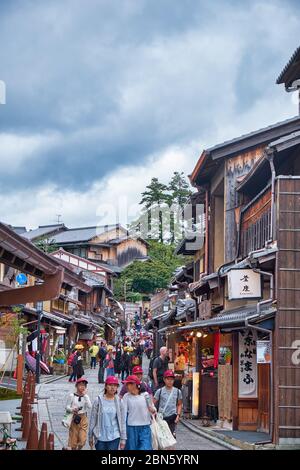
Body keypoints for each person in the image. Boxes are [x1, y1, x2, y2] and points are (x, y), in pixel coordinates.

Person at [89, 376, 126, 451]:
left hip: (114, 436)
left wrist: (123, 438)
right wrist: (90, 436)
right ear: (105, 386)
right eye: (110, 385)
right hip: (100, 436)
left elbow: (122, 421)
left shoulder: (119, 402)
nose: (112, 387)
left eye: (115, 385)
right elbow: (93, 419)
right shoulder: (98, 401)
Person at [122, 375, 156, 450]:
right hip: (131, 428)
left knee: (145, 448)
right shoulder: (126, 396)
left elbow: (153, 408)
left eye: (129, 384)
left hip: (145, 427)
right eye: (126, 384)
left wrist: (153, 410)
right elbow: (123, 415)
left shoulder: (146, 395)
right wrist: (123, 434)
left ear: (135, 384)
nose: (126, 386)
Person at [153, 370, 183, 440]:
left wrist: (178, 415)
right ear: (164, 379)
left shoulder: (178, 392)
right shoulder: (159, 391)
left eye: (171, 379)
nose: (170, 381)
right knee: (162, 439)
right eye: (168, 379)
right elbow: (152, 403)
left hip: (172, 418)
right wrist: (154, 414)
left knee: (171, 440)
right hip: (161, 419)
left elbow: (179, 404)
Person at [65, 377, 92, 450]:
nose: (82, 387)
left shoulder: (86, 396)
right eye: (80, 385)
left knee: (82, 440)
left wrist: (85, 396)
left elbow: (90, 406)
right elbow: (67, 407)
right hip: (74, 418)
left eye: (84, 385)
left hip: (83, 418)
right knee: (73, 440)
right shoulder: (72, 396)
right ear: (76, 386)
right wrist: (72, 409)